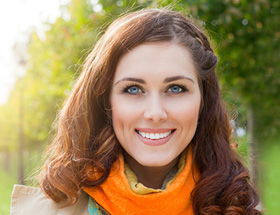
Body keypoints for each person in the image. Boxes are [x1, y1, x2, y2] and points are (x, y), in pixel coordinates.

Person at [11, 8, 262, 215]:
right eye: (133, 89)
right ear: (103, 101)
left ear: (203, 101)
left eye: (175, 88)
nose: (155, 113)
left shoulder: (240, 209)